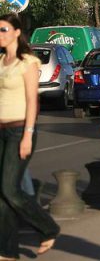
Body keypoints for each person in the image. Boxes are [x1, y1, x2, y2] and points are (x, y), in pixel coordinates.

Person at [0, 14, 59, 259]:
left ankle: (48, 227)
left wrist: (28, 134)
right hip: (1, 131)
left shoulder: (28, 62)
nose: (0, 34)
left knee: (10, 189)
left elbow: (33, 101)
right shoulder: (2, 61)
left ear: (16, 31)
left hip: (20, 130)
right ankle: (8, 251)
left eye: (3, 29)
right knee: (2, 196)